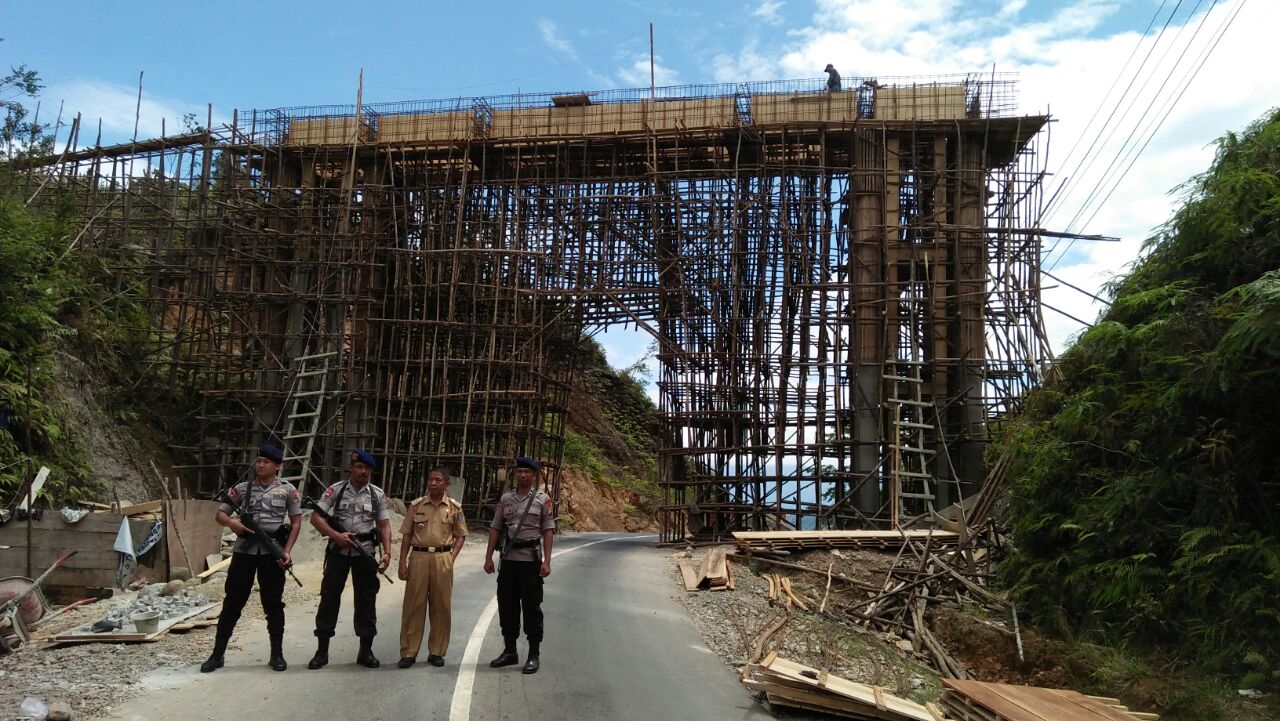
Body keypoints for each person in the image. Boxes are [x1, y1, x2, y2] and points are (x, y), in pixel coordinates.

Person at [201, 443, 301, 673]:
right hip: (244, 551)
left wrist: (286, 550)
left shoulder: (288, 490)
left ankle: (276, 654)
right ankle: (217, 655)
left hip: (271, 552)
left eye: (266, 462)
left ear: (278, 466)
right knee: (233, 602)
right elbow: (220, 514)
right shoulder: (242, 489)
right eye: (259, 461)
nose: (261, 465)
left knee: (273, 604)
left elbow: (296, 522)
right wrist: (234, 524)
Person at [307, 449, 392, 669]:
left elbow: (384, 525)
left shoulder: (377, 494)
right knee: (329, 598)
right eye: (359, 467)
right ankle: (322, 651)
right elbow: (315, 518)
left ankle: (366, 651)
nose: (363, 471)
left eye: (367, 468)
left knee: (366, 600)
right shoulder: (335, 490)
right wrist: (336, 535)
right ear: (351, 467)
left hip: (365, 552)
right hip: (338, 551)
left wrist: (387, 552)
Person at [483, 456, 555, 674]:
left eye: (527, 472)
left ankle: (533, 654)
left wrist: (547, 561)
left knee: (531, 607)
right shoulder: (506, 499)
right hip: (508, 561)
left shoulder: (543, 500)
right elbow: (495, 528)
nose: (523, 475)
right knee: (507, 606)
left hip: (530, 562)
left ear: (534, 475)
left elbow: (548, 530)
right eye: (520, 471)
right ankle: (510, 651)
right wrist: (488, 558)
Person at [397, 467, 467, 668]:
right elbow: (407, 535)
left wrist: (451, 557)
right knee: (413, 606)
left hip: (442, 557)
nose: (433, 483)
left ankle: (437, 651)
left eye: (437, 480)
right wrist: (402, 562)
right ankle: (408, 652)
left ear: (446, 484)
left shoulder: (454, 508)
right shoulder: (416, 505)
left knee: (441, 607)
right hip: (418, 557)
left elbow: (461, 535)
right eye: (430, 479)